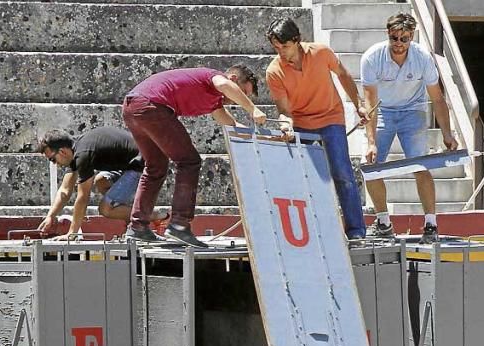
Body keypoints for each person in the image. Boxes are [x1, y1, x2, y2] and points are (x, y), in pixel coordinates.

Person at [123, 65, 267, 248]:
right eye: (243, 92)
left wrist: (252, 135)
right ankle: (179, 225)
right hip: (152, 106)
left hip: (133, 107)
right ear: (233, 79)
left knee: (155, 166)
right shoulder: (215, 77)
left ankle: (137, 227)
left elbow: (228, 122)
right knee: (189, 161)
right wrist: (252, 108)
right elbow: (223, 84)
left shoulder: (216, 101)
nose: (239, 99)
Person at [265, 17, 367, 240]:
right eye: (276, 47)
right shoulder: (274, 71)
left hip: (331, 117)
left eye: (285, 46)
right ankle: (311, 232)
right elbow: (284, 110)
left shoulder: (321, 52)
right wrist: (286, 125)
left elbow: (343, 74)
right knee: (302, 179)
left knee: (343, 173)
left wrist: (359, 104)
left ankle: (356, 231)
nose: (280, 51)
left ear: (297, 40)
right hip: (301, 124)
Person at [361, 12, 458, 243]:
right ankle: (384, 221)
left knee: (420, 165)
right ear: (388, 34)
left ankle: (431, 223)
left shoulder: (422, 58)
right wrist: (371, 141)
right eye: (395, 38)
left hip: (412, 110)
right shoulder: (372, 58)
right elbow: (370, 101)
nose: (399, 44)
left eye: (404, 39)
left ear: (412, 37)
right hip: (382, 110)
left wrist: (447, 133)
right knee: (371, 165)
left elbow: (437, 98)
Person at [36, 127, 169, 239]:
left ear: (62, 152)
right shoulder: (79, 148)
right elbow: (65, 191)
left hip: (148, 165)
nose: (55, 164)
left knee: (106, 209)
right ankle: (136, 222)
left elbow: (83, 197)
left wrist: (72, 233)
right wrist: (50, 216)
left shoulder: (83, 155)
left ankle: (159, 216)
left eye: (53, 159)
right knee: (102, 181)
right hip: (136, 163)